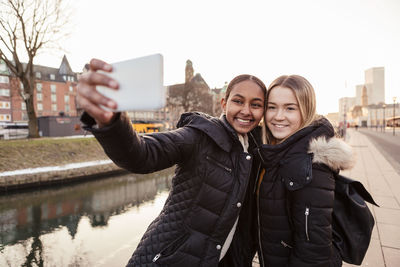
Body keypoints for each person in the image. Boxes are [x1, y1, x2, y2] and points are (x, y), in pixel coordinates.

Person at [77, 58, 266, 266]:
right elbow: (143, 154)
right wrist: (113, 122)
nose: (246, 111)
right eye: (238, 101)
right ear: (223, 103)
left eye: (255, 105)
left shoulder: (259, 150)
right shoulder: (200, 136)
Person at [254, 75, 355, 267]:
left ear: (306, 110)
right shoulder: (275, 151)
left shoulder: (312, 167)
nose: (278, 116)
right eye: (272, 107)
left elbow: (314, 254)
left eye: (290, 108)